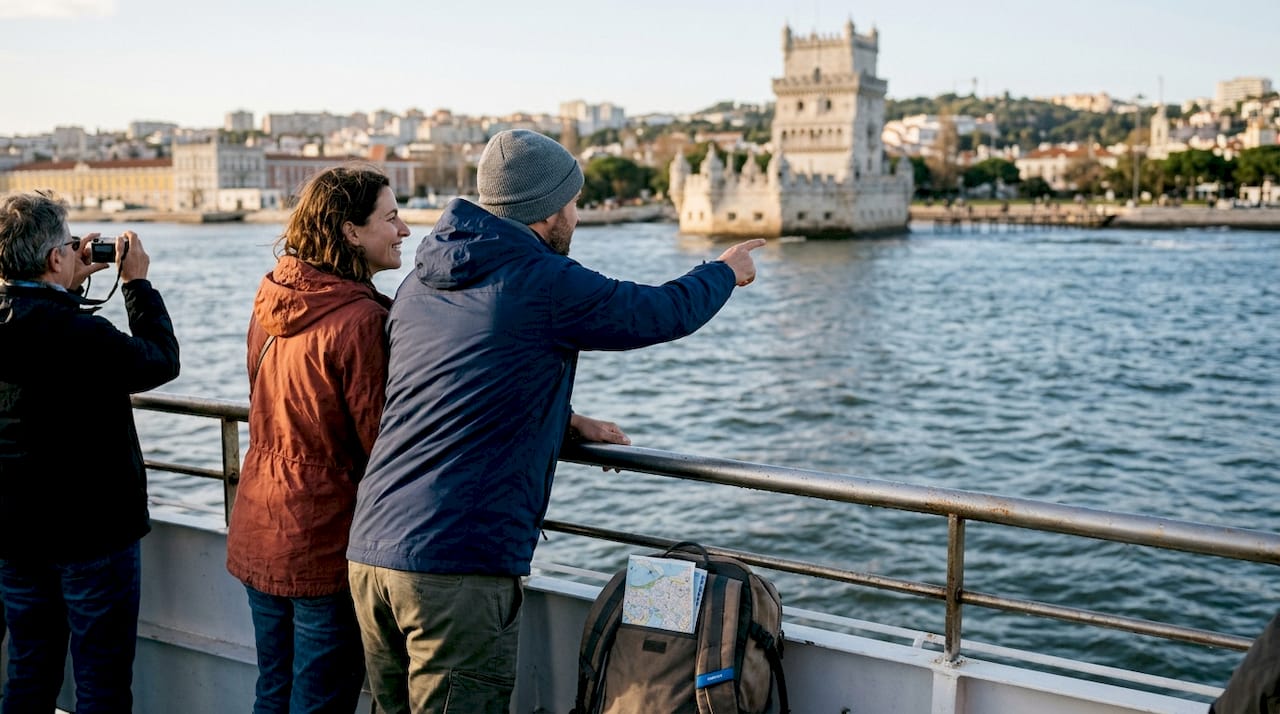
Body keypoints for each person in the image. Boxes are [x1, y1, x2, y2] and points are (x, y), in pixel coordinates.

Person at [346, 129, 764, 713]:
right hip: (457, 561)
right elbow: (655, 312)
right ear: (546, 208)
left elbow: (451, 389)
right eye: (573, 201)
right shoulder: (540, 280)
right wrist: (725, 272)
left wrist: (565, 422)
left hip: (371, 552)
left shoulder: (418, 284)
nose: (576, 214)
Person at [225, 165, 409, 714]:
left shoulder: (272, 297)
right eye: (392, 217)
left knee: (274, 689)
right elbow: (383, 441)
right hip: (322, 538)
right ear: (351, 232)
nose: (404, 230)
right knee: (320, 700)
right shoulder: (359, 321)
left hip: (260, 522)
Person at [0, 191, 180, 713]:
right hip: (94, 534)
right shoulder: (81, 332)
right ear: (56, 257)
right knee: (101, 680)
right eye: (67, 245)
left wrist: (64, 286)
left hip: (16, 535)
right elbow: (159, 361)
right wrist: (136, 284)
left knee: (29, 671)